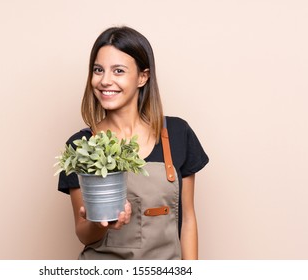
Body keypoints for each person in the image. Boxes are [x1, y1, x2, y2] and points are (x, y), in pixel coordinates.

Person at [58, 26, 209, 260]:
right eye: (98, 70)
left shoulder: (178, 134)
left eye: (118, 71)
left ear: (142, 77)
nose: (105, 80)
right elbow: (83, 234)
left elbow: (188, 219)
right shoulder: (80, 146)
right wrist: (100, 223)